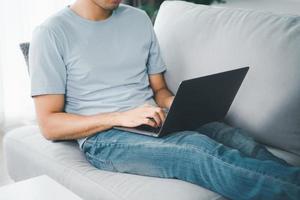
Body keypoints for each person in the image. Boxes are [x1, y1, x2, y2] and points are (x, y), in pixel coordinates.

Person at [29, 0, 300, 199]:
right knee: (198, 151)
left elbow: (159, 88)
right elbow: (49, 124)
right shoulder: (52, 33)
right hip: (106, 137)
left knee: (238, 140)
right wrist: (120, 117)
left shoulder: (138, 19)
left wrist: (177, 105)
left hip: (155, 116)